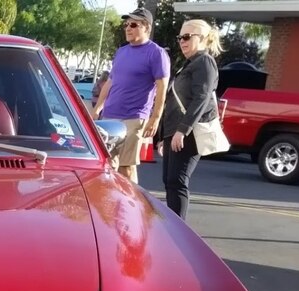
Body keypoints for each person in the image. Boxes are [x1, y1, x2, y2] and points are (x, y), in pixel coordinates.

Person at [92, 7, 169, 185]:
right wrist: (97, 109)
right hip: (109, 117)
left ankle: (131, 201)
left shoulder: (156, 53)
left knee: (126, 167)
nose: (128, 28)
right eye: (126, 24)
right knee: (107, 166)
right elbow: (110, 82)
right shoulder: (122, 51)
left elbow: (162, 86)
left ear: (146, 27)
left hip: (134, 117)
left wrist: (155, 118)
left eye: (133, 25)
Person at [157, 19, 222, 219]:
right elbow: (172, 101)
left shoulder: (205, 62)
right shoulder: (189, 64)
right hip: (174, 131)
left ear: (202, 38)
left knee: (177, 181)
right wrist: (163, 136)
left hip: (188, 133)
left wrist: (182, 130)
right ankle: (173, 225)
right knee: (169, 180)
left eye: (186, 37)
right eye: (180, 37)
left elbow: (201, 97)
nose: (181, 42)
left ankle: (178, 228)